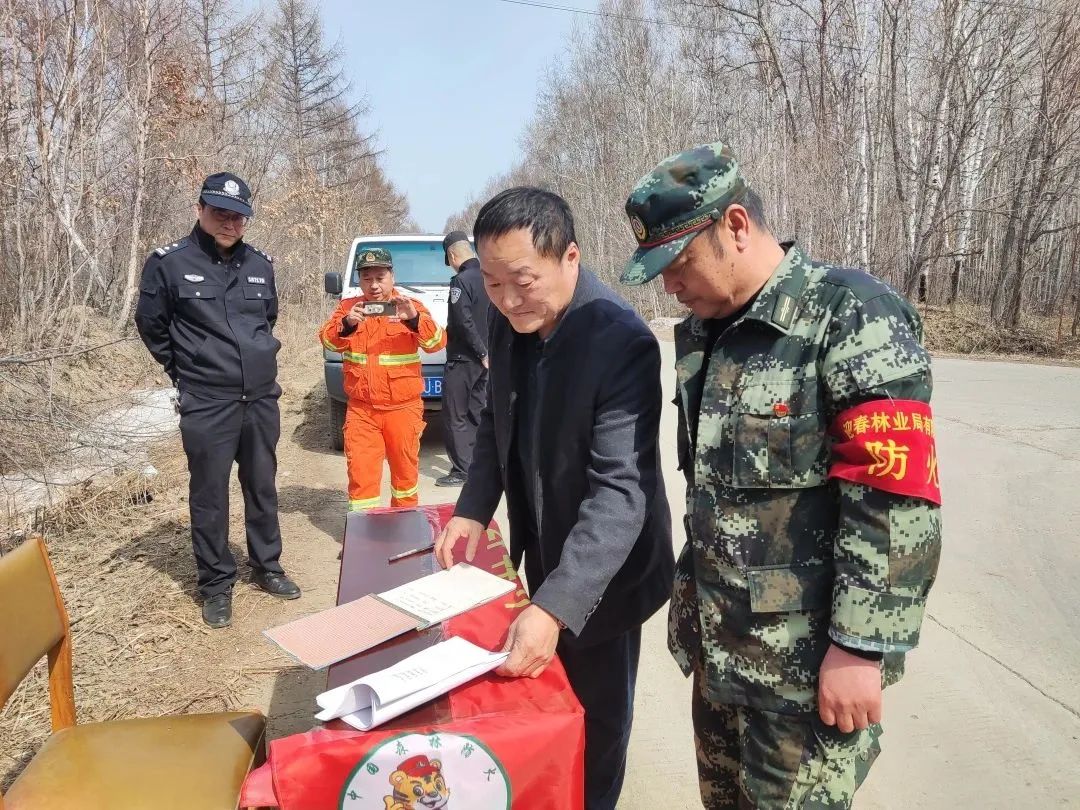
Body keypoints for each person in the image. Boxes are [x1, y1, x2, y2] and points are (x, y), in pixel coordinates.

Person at [620, 141, 943, 809]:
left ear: (735, 226)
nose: (671, 286)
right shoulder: (708, 335)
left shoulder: (849, 314)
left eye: (678, 265)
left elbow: (893, 496)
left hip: (802, 673)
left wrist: (860, 648)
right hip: (723, 654)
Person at [434, 187, 674, 810]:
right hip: (544, 543)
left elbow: (621, 493)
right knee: (540, 705)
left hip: (605, 573)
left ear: (569, 257)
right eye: (491, 283)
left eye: (523, 281)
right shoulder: (504, 317)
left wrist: (559, 606)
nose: (509, 301)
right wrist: (471, 507)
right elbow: (495, 423)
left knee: (595, 724)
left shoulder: (621, 340)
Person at [135, 172, 301, 629]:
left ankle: (267, 566)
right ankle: (215, 584)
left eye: (239, 216)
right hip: (208, 401)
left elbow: (266, 320)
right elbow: (152, 327)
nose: (230, 222)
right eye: (220, 212)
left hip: (260, 399)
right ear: (200, 211)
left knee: (262, 485)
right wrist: (189, 371)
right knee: (209, 495)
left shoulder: (260, 265)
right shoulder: (168, 264)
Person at [318, 247, 446, 511]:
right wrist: (347, 325)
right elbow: (328, 340)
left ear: (392, 276)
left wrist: (414, 320)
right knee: (361, 480)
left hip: (403, 409)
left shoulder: (411, 307)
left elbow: (436, 343)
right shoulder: (347, 308)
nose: (374, 285)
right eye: (367, 278)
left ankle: (403, 535)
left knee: (405, 480)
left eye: (380, 277)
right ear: (359, 280)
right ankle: (365, 543)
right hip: (362, 410)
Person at [436, 230, 490, 487]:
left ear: (453, 255)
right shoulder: (489, 276)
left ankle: (462, 470)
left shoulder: (461, 281)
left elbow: (462, 321)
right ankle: (480, 466)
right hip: (486, 361)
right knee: (477, 412)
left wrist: (479, 351)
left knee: (455, 415)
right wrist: (488, 353)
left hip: (464, 359)